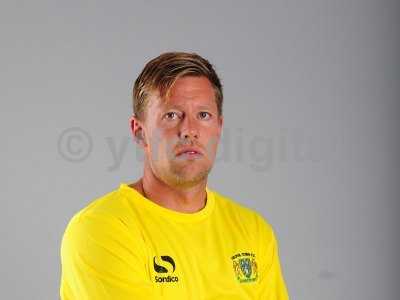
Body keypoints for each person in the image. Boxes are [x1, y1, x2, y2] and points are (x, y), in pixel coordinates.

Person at [59, 52, 290, 299]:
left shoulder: (253, 232)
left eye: (203, 115)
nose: (189, 130)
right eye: (171, 115)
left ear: (219, 128)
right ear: (139, 132)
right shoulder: (101, 229)